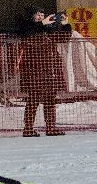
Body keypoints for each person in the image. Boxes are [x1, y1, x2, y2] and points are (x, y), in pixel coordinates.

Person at [16, 7, 69, 136]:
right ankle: (28, 128)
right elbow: (27, 32)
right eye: (38, 15)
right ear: (32, 16)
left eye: (42, 15)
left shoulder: (48, 30)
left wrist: (65, 25)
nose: (41, 17)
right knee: (33, 100)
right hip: (33, 71)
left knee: (50, 99)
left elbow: (64, 38)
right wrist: (42, 23)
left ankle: (51, 127)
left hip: (49, 70)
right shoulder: (26, 26)